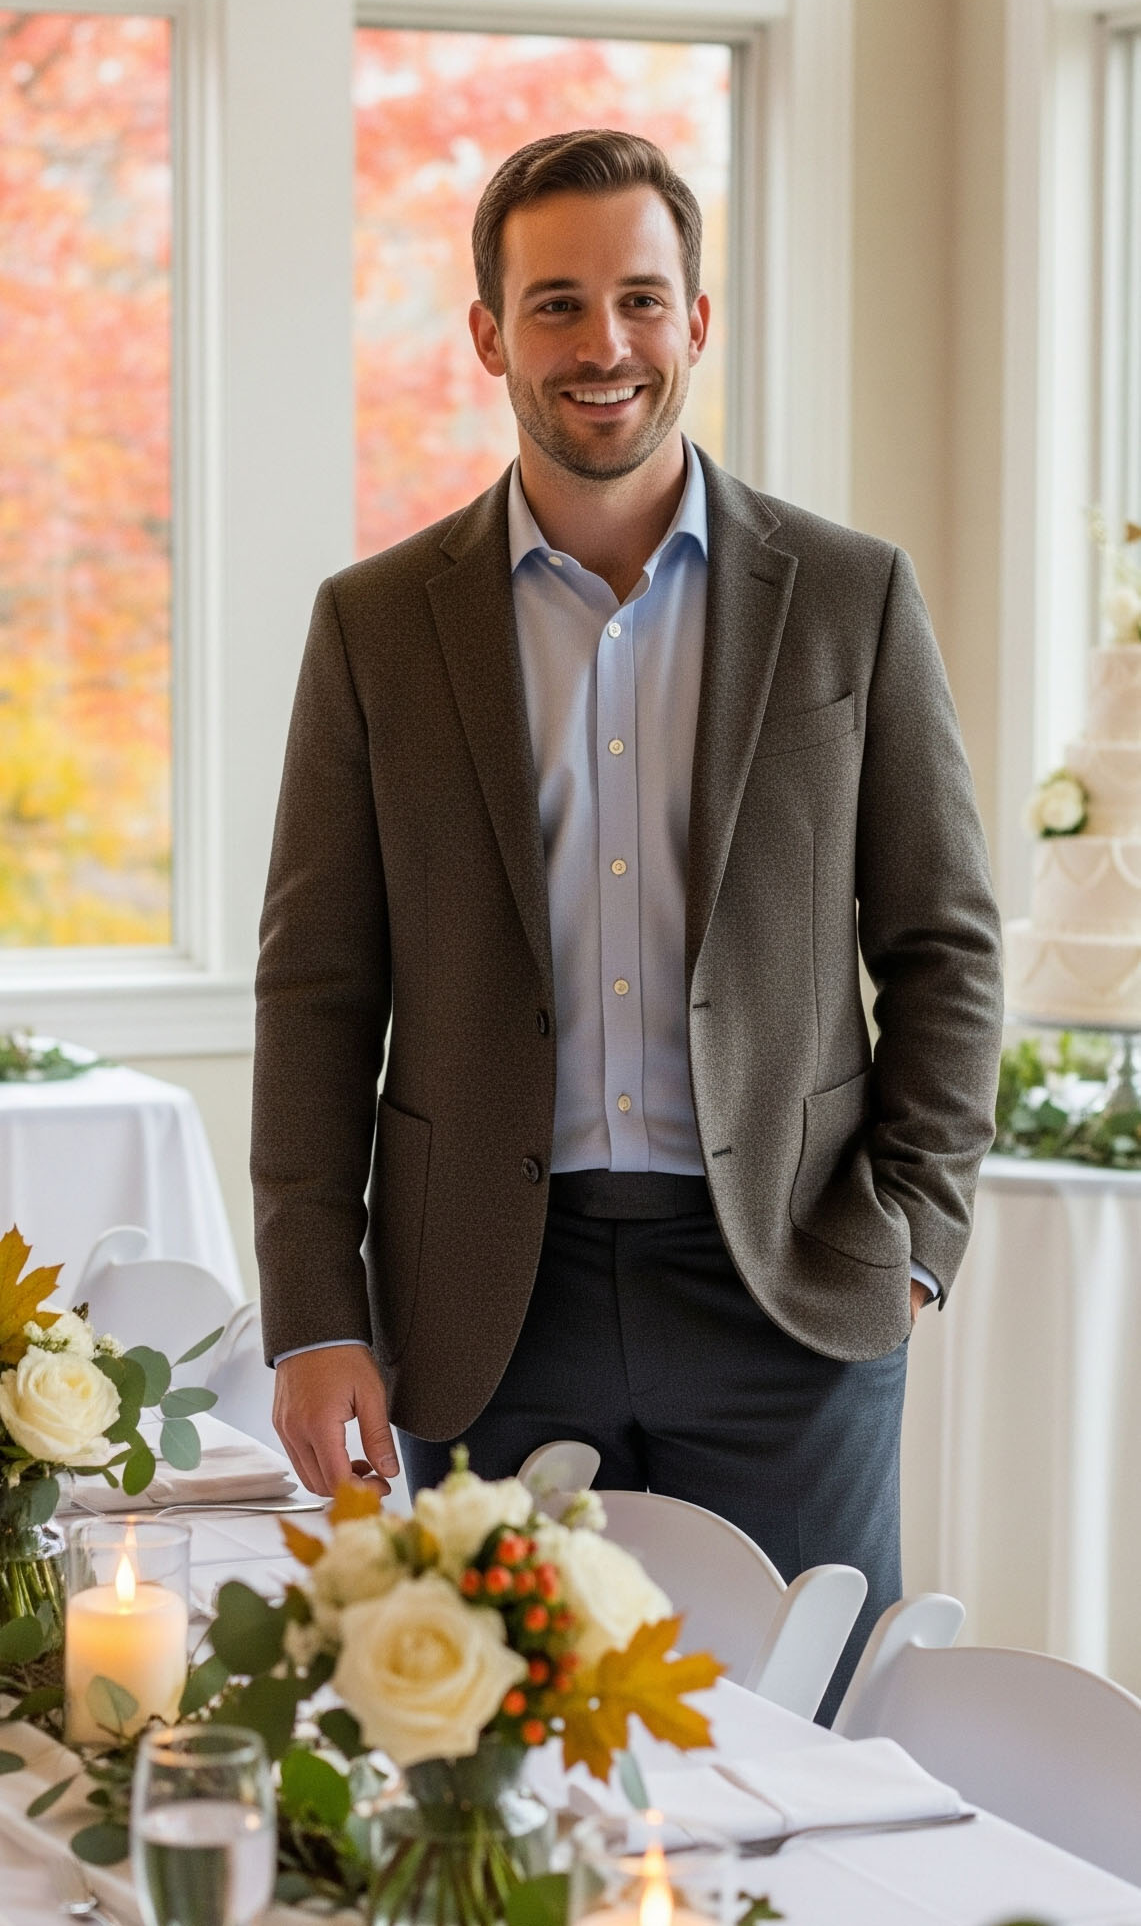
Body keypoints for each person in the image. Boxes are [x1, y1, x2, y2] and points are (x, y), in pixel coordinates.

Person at [252, 129, 1004, 1716]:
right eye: (555, 305)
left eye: (640, 301)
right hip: (478, 1307)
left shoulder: (848, 596)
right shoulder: (376, 625)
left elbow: (942, 940)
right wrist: (317, 1312)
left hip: (786, 1295)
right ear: (486, 336)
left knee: (802, 1767)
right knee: (486, 1760)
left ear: (696, 320)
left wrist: (912, 1240)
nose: (604, 347)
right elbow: (318, 992)